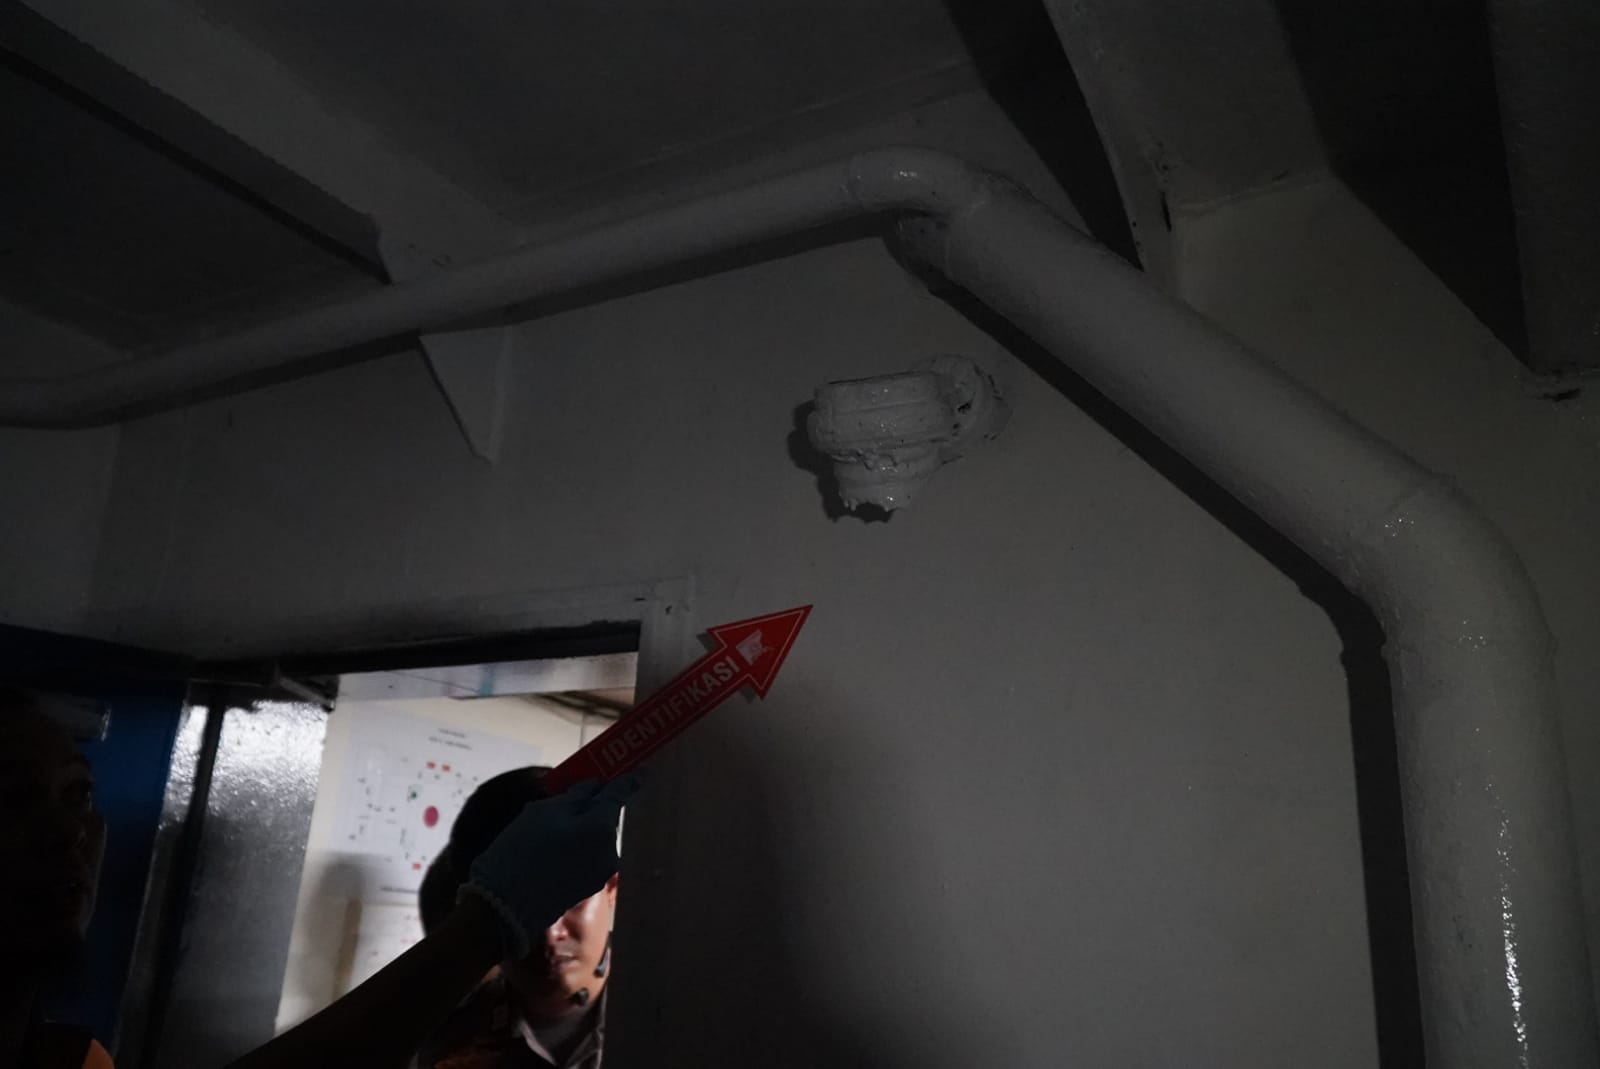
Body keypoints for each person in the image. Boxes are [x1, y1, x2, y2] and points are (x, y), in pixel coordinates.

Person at [1, 690, 636, 1069]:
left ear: (612, 890)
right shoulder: (449, 1034)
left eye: (79, 794)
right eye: (9, 799)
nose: (68, 832)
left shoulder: (69, 1058)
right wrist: (486, 926)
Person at [415, 769, 619, 1069]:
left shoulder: (672, 1011)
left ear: (612, 887)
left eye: (571, 901)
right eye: (518, 907)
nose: (550, 933)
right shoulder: (447, 1043)